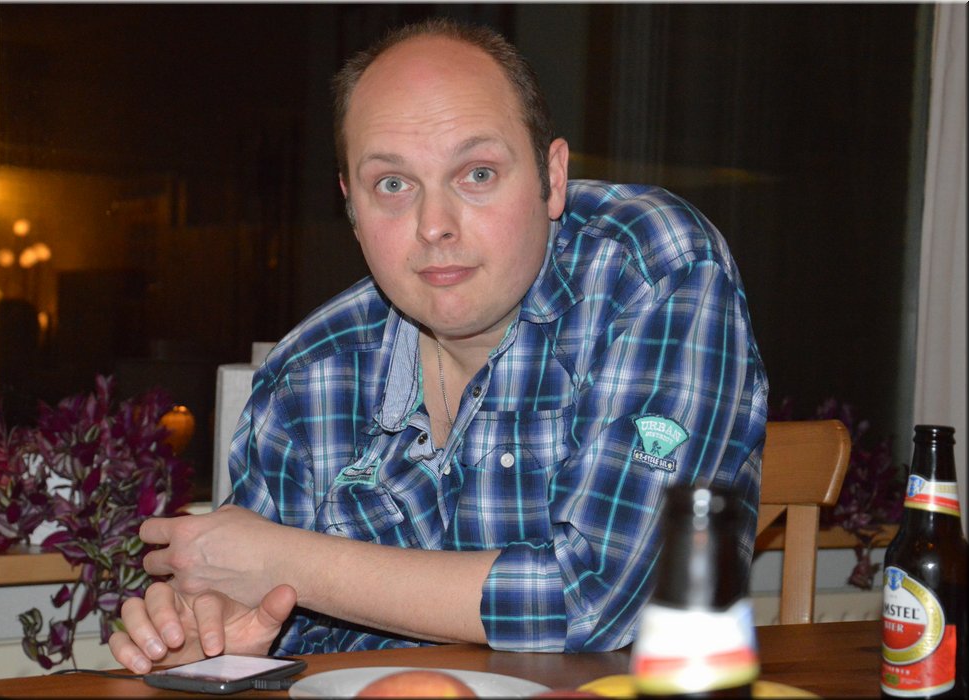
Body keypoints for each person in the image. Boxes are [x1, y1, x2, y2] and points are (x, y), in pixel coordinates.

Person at [109, 17, 768, 672]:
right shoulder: (306, 376)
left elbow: (602, 597)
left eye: (477, 173)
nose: (433, 226)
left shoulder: (651, 267)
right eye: (392, 185)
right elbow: (248, 598)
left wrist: (288, 562)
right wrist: (206, 638)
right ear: (351, 205)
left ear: (552, 176)